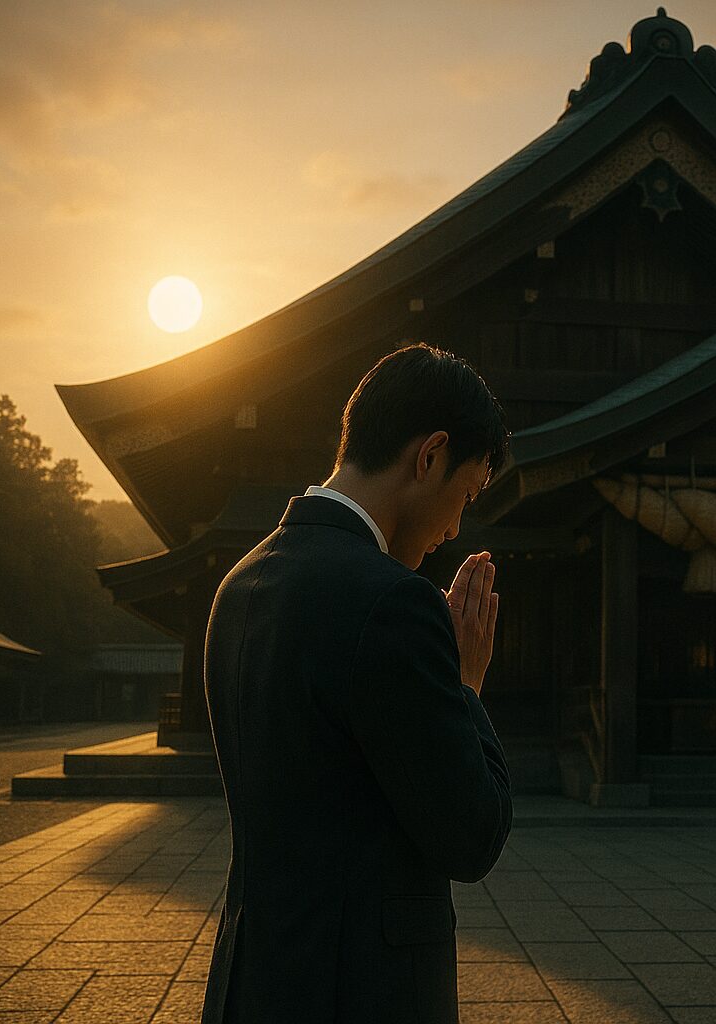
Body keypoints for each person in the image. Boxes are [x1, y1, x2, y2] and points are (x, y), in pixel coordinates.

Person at [201, 343, 513, 1024]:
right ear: (429, 455)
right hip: (360, 991)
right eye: (464, 496)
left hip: (252, 981)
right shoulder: (392, 602)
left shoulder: (241, 583)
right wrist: (465, 687)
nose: (456, 528)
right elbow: (470, 835)